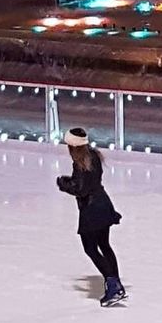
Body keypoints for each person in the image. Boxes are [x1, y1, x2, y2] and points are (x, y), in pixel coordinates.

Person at [57, 126, 124, 306]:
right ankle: (115, 283)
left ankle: (113, 284)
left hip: (91, 210)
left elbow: (81, 189)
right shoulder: (94, 156)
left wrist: (64, 184)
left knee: (90, 248)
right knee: (104, 245)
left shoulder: (80, 163)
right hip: (103, 203)